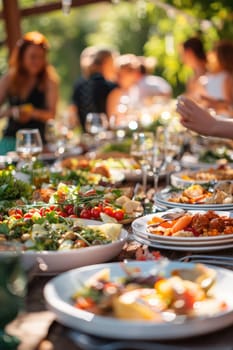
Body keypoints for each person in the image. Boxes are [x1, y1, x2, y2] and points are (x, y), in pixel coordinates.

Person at [0, 31, 59, 149]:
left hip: (39, 143)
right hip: (11, 141)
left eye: (41, 57)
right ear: (21, 57)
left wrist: (32, 113)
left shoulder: (49, 80)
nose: (37, 62)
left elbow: (51, 114)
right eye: (32, 57)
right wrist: (13, 112)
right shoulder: (9, 79)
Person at [71, 46, 117, 132]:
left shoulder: (79, 84)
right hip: (105, 137)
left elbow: (73, 113)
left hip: (86, 136)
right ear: (106, 62)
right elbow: (114, 119)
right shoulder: (110, 86)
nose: (115, 67)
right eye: (113, 63)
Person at [198, 39, 233, 116]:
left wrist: (216, 104)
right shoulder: (211, 76)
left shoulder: (227, 77)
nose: (209, 56)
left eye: (214, 54)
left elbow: (230, 105)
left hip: (224, 122)